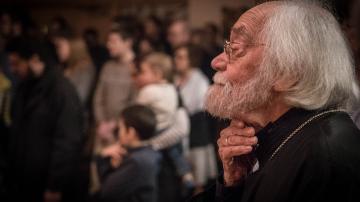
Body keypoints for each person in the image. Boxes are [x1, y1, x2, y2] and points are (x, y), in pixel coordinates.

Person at [191, 1, 360, 202]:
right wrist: (233, 184)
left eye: (235, 48)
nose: (216, 62)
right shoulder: (287, 134)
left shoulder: (324, 157)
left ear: (288, 71)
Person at [5, 38, 84, 202]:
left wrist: (55, 185)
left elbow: (67, 140)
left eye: (16, 63)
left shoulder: (62, 91)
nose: (12, 70)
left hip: (45, 182)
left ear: (34, 60)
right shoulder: (24, 86)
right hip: (25, 178)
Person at [174, 44, 217, 193]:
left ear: (190, 60)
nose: (176, 61)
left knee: (198, 180)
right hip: (180, 133)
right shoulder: (176, 79)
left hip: (196, 133)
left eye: (181, 57)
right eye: (176, 57)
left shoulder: (200, 80)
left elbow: (196, 108)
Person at [96, 105, 161, 202]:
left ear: (131, 132)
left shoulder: (138, 161)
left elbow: (107, 192)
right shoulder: (149, 153)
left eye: (121, 127)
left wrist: (103, 158)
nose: (118, 132)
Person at [93, 28, 137, 150]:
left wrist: (115, 124)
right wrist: (102, 123)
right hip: (103, 129)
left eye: (113, 41)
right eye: (108, 41)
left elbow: (135, 101)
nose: (108, 45)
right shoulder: (107, 67)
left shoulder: (137, 67)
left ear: (127, 42)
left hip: (125, 130)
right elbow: (98, 98)